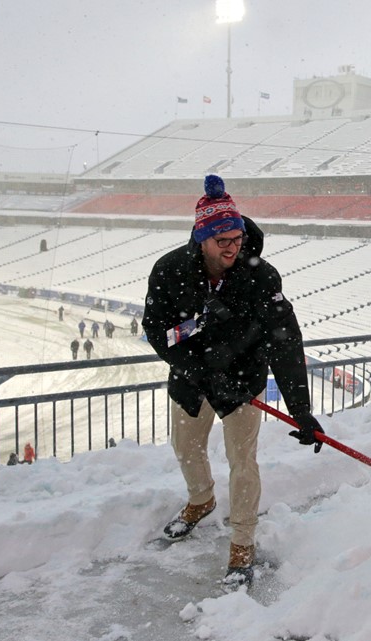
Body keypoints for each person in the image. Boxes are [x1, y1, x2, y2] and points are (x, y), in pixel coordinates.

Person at [143, 174, 323, 587]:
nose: (231, 246)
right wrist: (204, 374)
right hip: (192, 379)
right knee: (186, 447)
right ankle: (201, 499)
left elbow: (285, 341)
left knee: (243, 461)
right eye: (221, 239)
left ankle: (242, 542)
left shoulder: (261, 276)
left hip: (243, 383)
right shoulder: (170, 271)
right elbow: (158, 331)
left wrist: (301, 411)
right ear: (201, 238)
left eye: (236, 237)